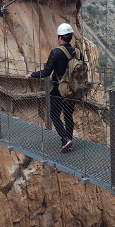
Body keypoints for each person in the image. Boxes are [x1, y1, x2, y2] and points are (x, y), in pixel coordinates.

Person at [26, 23, 82, 153]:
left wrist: (31, 75)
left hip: (58, 90)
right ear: (71, 36)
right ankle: (69, 141)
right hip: (73, 90)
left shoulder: (56, 52)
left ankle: (65, 140)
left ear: (60, 37)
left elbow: (46, 72)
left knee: (54, 114)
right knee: (68, 116)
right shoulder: (78, 53)